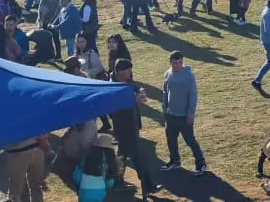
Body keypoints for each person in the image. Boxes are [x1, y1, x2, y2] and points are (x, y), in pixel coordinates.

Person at [109, 59, 159, 195]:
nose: (130, 73)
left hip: (132, 124)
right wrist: (134, 99)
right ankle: (148, 185)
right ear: (119, 71)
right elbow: (117, 107)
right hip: (124, 127)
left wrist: (140, 91)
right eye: (127, 70)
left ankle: (117, 182)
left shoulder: (126, 80)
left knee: (123, 155)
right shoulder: (113, 85)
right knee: (136, 156)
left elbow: (136, 86)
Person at [160, 51, 207, 175]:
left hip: (184, 116)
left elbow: (193, 95)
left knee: (190, 140)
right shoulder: (167, 74)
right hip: (170, 114)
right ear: (170, 63)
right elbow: (165, 91)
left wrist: (190, 113)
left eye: (180, 62)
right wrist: (164, 107)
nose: (178, 65)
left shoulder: (189, 76)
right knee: (171, 139)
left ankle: (201, 163)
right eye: (175, 63)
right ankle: (175, 161)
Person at [72, 133, 119, 202]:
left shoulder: (87, 157)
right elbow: (110, 182)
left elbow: (77, 176)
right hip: (100, 191)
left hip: (84, 190)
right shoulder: (110, 160)